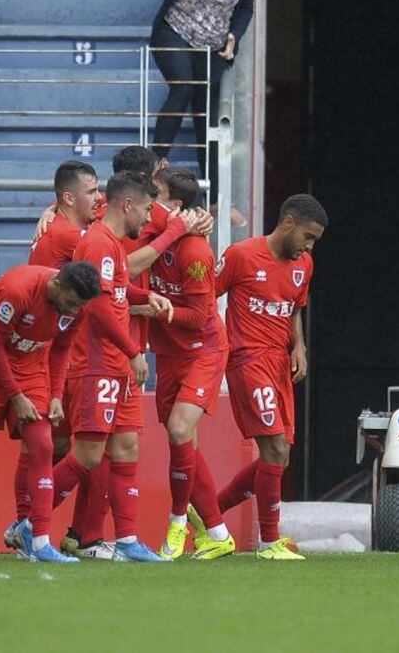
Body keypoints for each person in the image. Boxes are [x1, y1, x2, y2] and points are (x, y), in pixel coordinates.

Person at [47, 171, 175, 563]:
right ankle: (27, 521)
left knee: (126, 447)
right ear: (128, 204)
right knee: (87, 455)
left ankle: (127, 540)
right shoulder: (99, 244)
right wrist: (133, 350)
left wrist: (144, 294)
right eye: (148, 209)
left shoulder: (114, 246)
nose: (148, 218)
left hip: (116, 365)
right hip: (98, 363)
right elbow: (99, 306)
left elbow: (116, 291)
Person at [0, 262, 102, 564]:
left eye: (79, 306)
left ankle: (38, 540)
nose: (73, 310)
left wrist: (55, 394)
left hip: (30, 369)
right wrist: (15, 396)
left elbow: (60, 349)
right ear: (58, 284)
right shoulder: (17, 291)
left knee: (43, 445)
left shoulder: (75, 308)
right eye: (70, 302)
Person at [214, 193, 327, 561]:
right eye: (308, 237)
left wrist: (300, 347)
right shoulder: (242, 255)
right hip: (247, 361)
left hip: (279, 362)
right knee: (275, 448)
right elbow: (205, 297)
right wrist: (215, 346)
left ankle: (209, 513)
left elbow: (294, 307)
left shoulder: (303, 265)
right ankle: (269, 541)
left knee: (280, 457)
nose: (309, 247)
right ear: (289, 223)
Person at [147, 167, 235, 560]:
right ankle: (217, 532)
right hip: (168, 351)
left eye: (157, 194)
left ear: (176, 205)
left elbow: (200, 316)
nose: (150, 201)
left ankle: (177, 523)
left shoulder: (196, 249)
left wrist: (156, 310)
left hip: (203, 349)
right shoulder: (149, 234)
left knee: (181, 429)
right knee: (183, 443)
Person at [150, 0, 255, 199]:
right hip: (174, 30)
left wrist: (235, 35)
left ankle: (214, 198)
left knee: (207, 112)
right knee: (183, 86)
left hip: (214, 47)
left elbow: (245, 9)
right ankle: (154, 165)